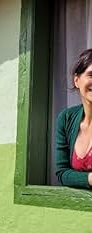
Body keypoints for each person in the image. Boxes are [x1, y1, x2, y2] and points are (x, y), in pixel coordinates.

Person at [56, 49, 92, 188]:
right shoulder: (66, 119)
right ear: (76, 80)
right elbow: (62, 172)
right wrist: (89, 179)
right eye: (91, 75)